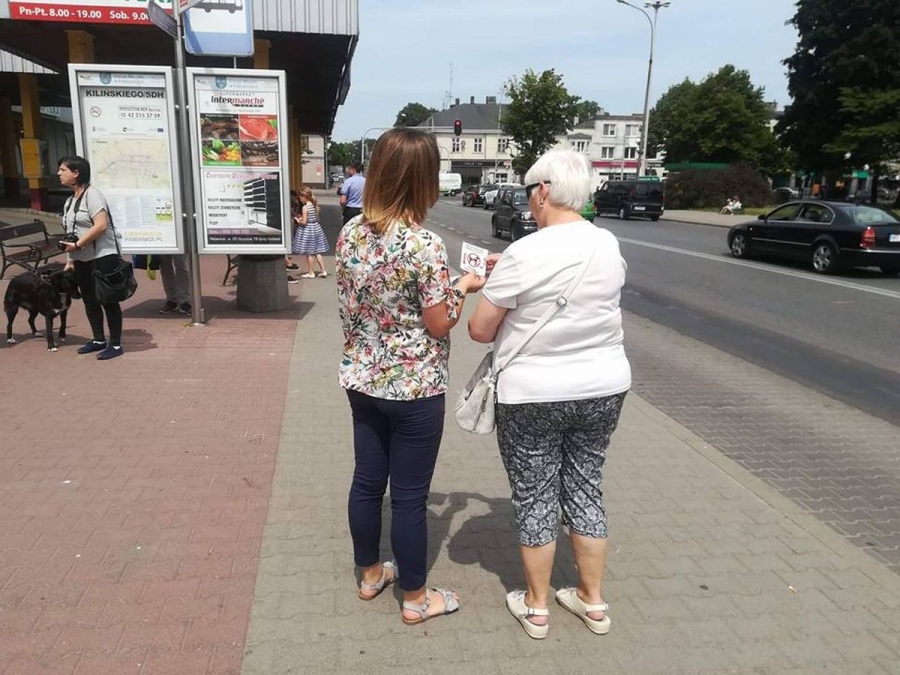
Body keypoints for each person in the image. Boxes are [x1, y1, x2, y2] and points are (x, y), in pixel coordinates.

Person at [468, 149, 631, 639]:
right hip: (604, 387)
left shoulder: (525, 252)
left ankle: (537, 608)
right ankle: (592, 601)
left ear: (543, 191)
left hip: (533, 393)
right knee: (585, 485)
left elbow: (480, 329)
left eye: (528, 192)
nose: (527, 201)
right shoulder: (608, 244)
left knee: (535, 493)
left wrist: (498, 279)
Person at [335, 128, 485, 625]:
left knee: (366, 482)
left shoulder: (350, 233)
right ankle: (417, 599)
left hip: (363, 378)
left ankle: (370, 575)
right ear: (424, 180)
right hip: (414, 387)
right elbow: (439, 322)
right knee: (409, 498)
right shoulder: (425, 244)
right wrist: (463, 288)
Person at [57, 156, 126, 360]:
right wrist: (70, 259)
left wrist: (78, 245)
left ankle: (115, 344)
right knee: (89, 300)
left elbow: (101, 225)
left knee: (108, 299)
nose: (59, 174)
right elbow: (71, 232)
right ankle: (98, 339)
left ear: (76, 173)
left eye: (63, 170)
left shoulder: (93, 195)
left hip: (102, 255)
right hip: (81, 258)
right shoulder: (70, 201)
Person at [292, 187, 329, 279]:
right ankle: (323, 270)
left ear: (304, 196)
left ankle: (311, 272)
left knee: (309, 253)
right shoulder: (312, 205)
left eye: (300, 198)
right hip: (316, 228)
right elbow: (311, 217)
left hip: (308, 230)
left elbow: (305, 222)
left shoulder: (305, 207)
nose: (300, 200)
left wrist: (298, 221)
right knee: (317, 252)